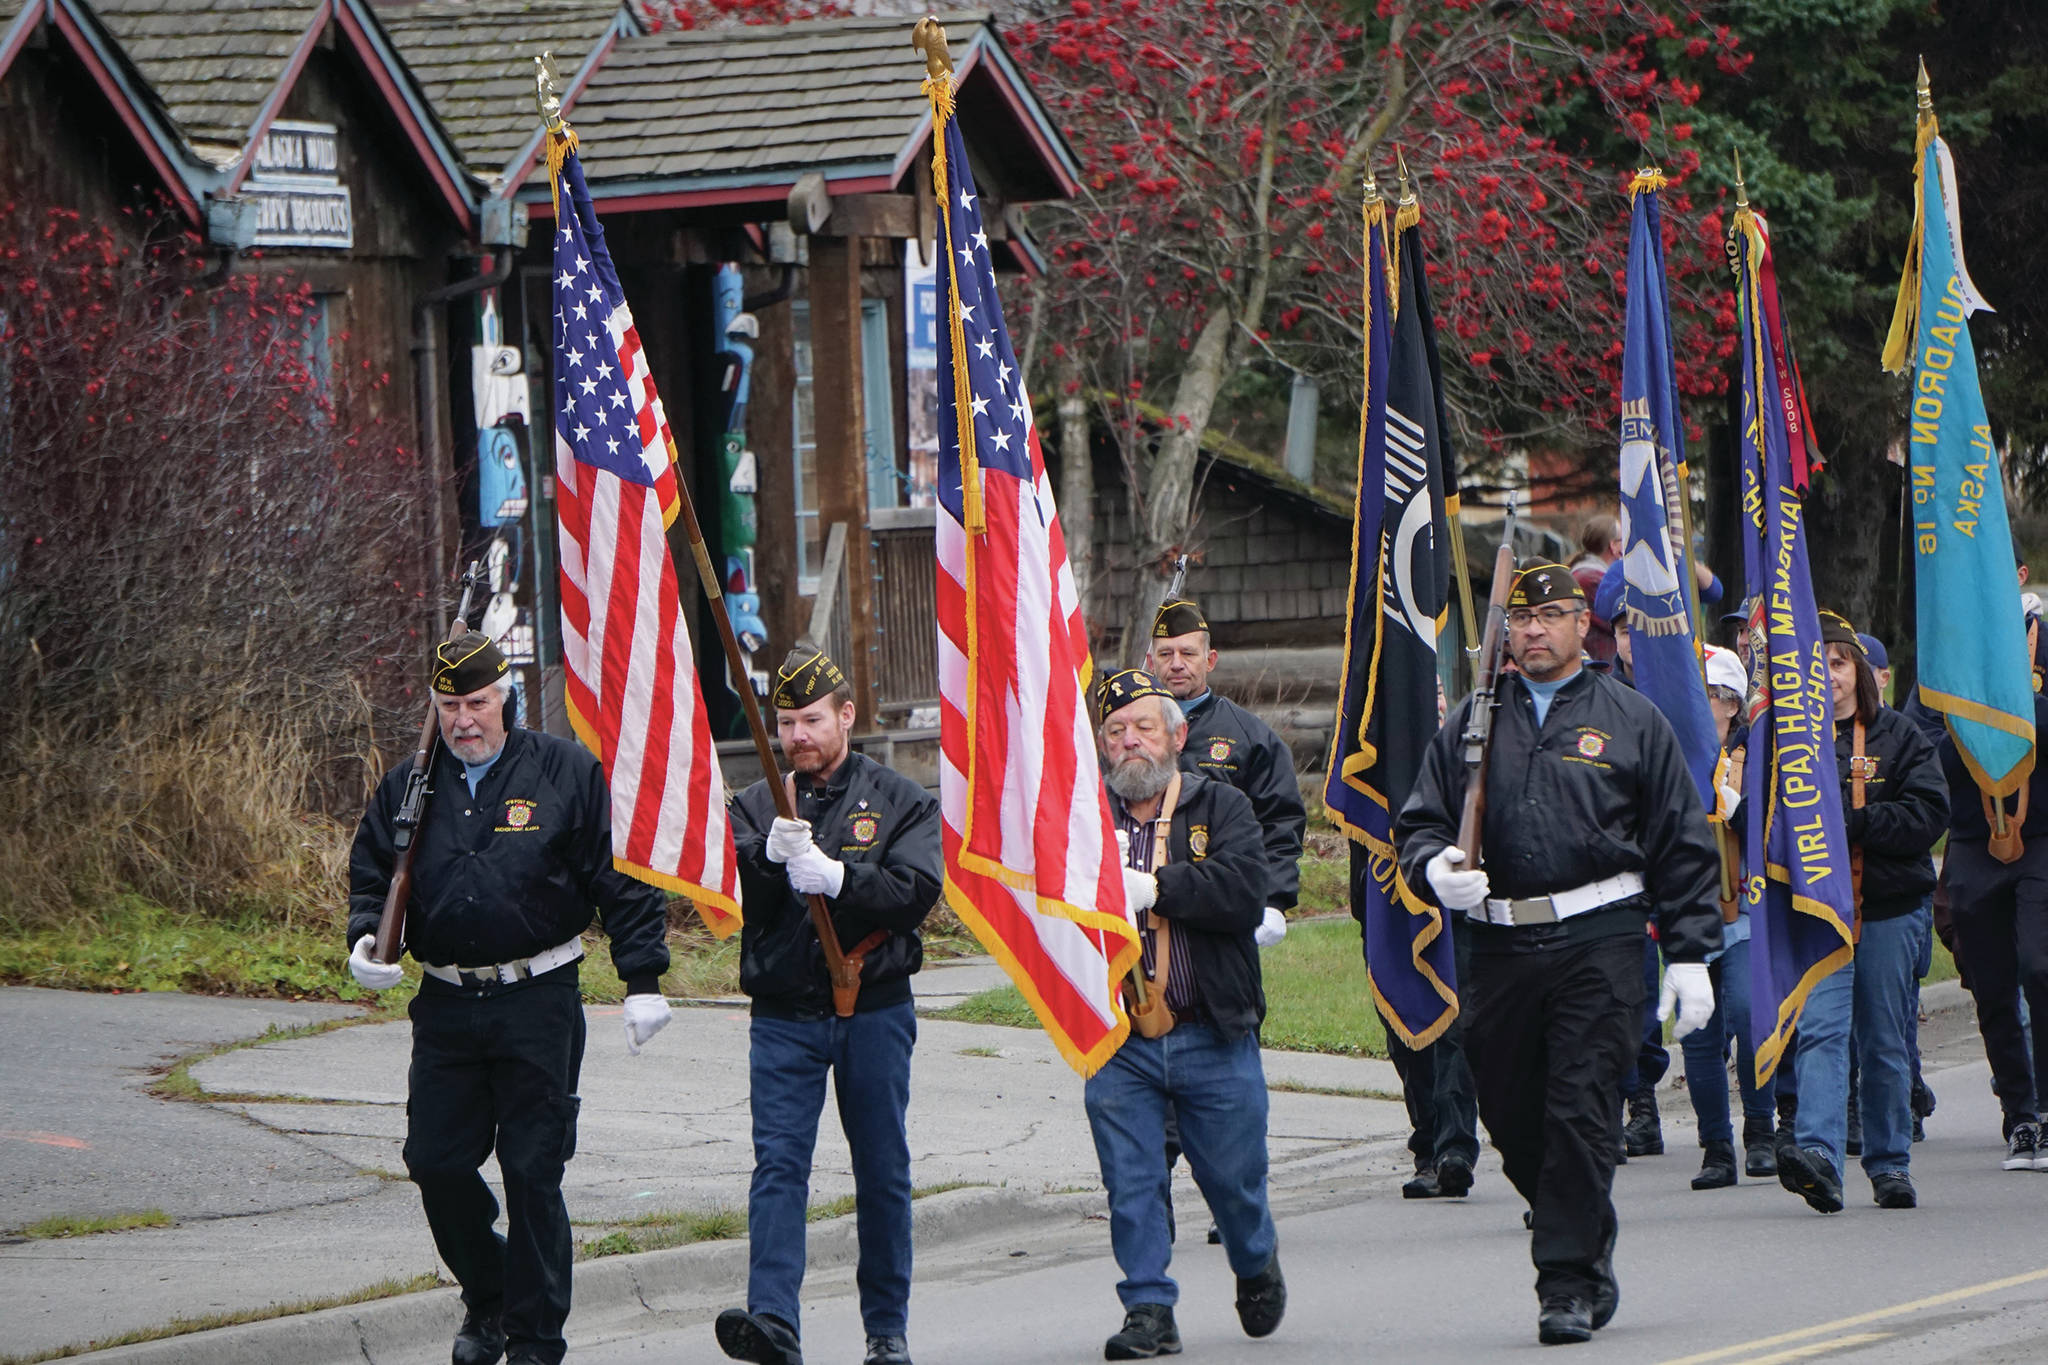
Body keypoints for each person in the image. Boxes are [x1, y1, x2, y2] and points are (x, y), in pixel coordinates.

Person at [1394, 563, 1720, 1346]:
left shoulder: (1632, 718)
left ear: (1583, 624)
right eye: (1520, 618)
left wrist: (1691, 953)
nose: (1532, 629)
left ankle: (1566, 1281)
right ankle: (1585, 1225)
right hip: (1500, 944)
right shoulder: (1475, 718)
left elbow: (1680, 840)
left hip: (1597, 940)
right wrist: (1437, 866)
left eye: (1550, 616)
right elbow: (1420, 822)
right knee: (1511, 1112)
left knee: (1581, 1109)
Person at [347, 630, 674, 1365]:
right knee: (434, 1160)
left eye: (478, 702)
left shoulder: (563, 772)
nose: (465, 720)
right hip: (447, 1004)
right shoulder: (408, 786)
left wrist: (642, 978)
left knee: (533, 1172)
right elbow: (372, 872)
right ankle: (490, 1290)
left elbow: (618, 877)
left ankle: (533, 1341)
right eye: (450, 705)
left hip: (539, 996)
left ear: (509, 700)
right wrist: (367, 937)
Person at [713, 647, 942, 1365]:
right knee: (778, 1165)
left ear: (846, 714)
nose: (798, 735)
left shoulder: (902, 799)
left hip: (873, 1009)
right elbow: (723, 898)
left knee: (881, 1169)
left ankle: (886, 1329)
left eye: (812, 718)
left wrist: (842, 877)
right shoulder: (754, 806)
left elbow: (917, 891)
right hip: (784, 1015)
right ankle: (774, 1320)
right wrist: (763, 858)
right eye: (785, 722)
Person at [1085, 668, 1285, 1360]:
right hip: (1117, 1040)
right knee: (1131, 1179)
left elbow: (1243, 890)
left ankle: (1255, 1258)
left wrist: (1156, 887)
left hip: (1211, 1031)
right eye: (1115, 731)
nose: (1130, 741)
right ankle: (1148, 1306)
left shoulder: (1218, 806)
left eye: (1143, 726)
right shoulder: (1083, 822)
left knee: (1234, 1179)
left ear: (1178, 735)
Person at [1766, 613, 1946, 1213]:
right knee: (1820, 1032)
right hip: (1821, 913)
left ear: (1860, 672)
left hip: (1891, 910)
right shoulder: (1786, 742)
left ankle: (1890, 1162)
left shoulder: (1899, 736)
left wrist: (1862, 822)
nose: (1829, 676)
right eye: (1816, 665)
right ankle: (1818, 1157)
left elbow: (1929, 814)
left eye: (1839, 663)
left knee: (1884, 1040)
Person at [1937, 666, 2048, 1173]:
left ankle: (2047, 1107)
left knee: (2038, 965)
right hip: (1971, 843)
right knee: (1991, 986)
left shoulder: (2037, 638)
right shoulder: (1953, 654)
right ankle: (2021, 1114)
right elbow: (1926, 742)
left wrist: (2015, 713)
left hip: (2041, 841)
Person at [1674, 644, 1777, 1189]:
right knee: (1697, 1031)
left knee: (1744, 1013)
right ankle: (1715, 1146)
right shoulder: (1669, 759)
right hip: (1688, 913)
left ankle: (1761, 1131)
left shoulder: (1753, 758)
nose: (1699, 704)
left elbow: (1779, 833)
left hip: (1742, 912)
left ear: (1733, 704)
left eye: (1710, 695)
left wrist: (1742, 812)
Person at [1146, 599, 1305, 943]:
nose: (1176, 664)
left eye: (1188, 653)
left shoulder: (1250, 738)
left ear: (1210, 660)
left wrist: (1274, 899)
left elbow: (1280, 822)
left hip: (1222, 905)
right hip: (1143, 903)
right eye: (1165, 654)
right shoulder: (1130, 733)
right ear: (1150, 661)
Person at [1571, 514, 1623, 663]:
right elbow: (1618, 620)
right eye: (1622, 540)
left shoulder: (1586, 574)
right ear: (1613, 546)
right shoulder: (1591, 579)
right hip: (1600, 666)